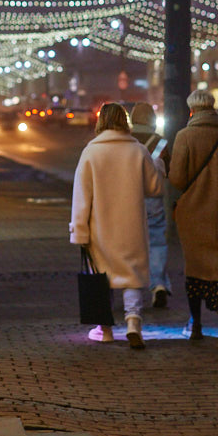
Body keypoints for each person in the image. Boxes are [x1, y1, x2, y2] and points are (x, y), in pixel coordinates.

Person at [69, 103, 164, 349]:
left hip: (100, 228)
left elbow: (82, 196)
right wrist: (159, 167)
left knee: (101, 278)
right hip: (131, 227)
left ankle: (105, 329)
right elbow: (155, 189)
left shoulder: (91, 152)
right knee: (131, 275)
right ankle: (133, 323)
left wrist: (79, 230)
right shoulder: (138, 150)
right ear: (125, 121)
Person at [168, 88, 218, 351]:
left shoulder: (184, 137)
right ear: (213, 109)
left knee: (196, 268)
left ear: (192, 110)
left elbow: (178, 180)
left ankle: (196, 325)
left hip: (193, 216)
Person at [128, 103, 172, 308]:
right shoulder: (160, 142)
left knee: (127, 243)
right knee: (156, 242)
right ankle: (159, 285)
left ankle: (128, 285)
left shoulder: (125, 140)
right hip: (153, 198)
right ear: (152, 119)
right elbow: (169, 170)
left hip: (127, 198)